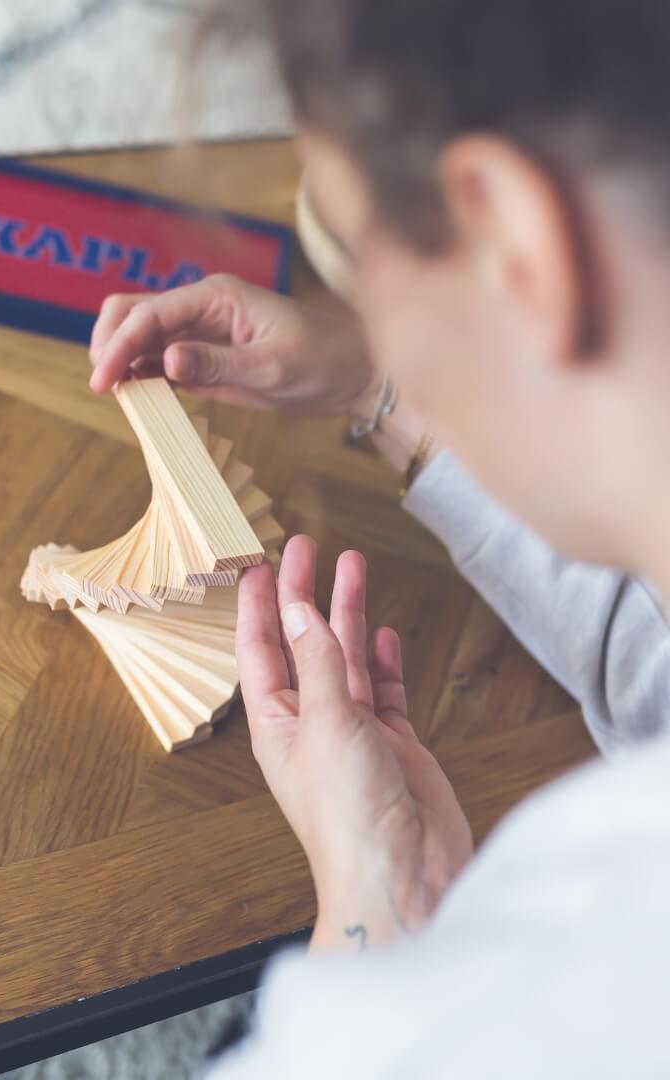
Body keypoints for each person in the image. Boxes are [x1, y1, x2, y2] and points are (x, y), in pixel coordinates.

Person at [89, 2, 670, 1075]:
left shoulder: (493, 1005)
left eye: (349, 248)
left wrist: (375, 915)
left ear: (515, 241)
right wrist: (376, 384)